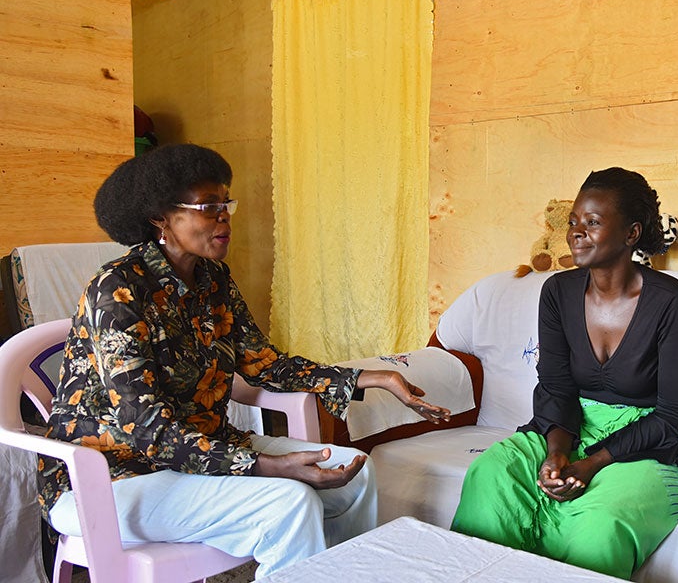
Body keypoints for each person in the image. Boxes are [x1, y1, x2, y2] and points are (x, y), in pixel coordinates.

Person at [37, 143, 451, 578]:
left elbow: (263, 363)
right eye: (208, 206)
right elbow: (146, 427)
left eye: (225, 203)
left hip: (201, 449)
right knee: (288, 502)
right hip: (110, 477)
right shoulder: (116, 291)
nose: (224, 217)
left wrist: (378, 378)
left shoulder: (213, 279)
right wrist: (265, 469)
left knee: (354, 477)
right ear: (161, 217)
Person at [451, 167, 678, 579]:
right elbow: (556, 386)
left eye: (592, 222)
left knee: (599, 524)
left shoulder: (671, 301)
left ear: (631, 233)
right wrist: (557, 453)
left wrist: (591, 464)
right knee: (491, 475)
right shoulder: (557, 292)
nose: (576, 232)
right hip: (566, 425)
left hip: (647, 439)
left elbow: (673, 412)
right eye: (573, 221)